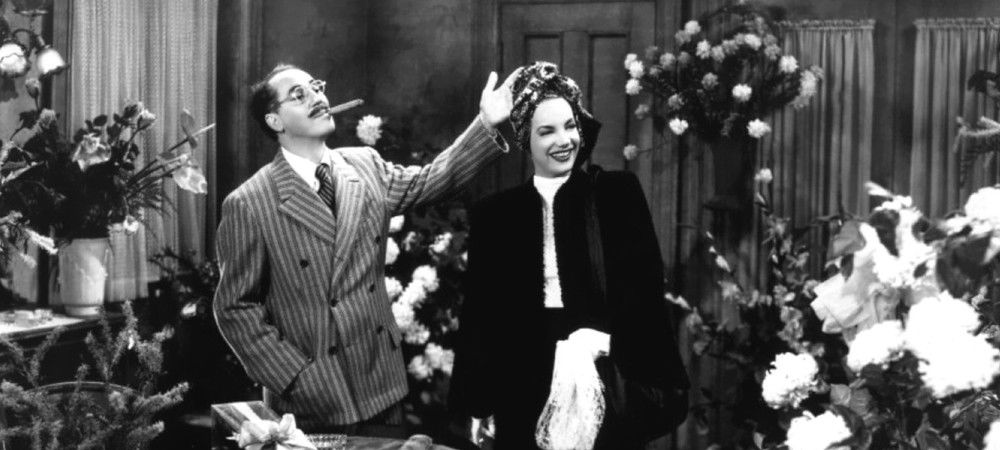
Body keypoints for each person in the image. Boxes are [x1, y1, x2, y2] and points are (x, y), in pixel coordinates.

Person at [214, 63, 517, 435]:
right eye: (299, 94)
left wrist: (485, 124)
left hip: (380, 384)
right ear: (274, 120)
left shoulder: (365, 164)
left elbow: (431, 180)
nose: (317, 97)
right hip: (309, 398)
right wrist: (293, 375)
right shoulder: (249, 202)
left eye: (316, 87)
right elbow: (234, 308)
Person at [449, 62, 690, 449]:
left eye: (570, 126)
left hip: (600, 366)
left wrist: (609, 342)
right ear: (525, 139)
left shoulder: (616, 194)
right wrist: (478, 401)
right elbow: (482, 315)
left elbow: (644, 296)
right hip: (521, 378)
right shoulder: (496, 214)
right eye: (546, 131)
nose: (564, 140)